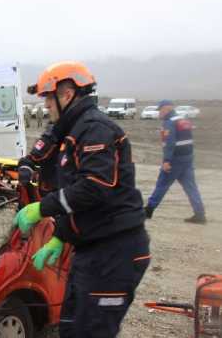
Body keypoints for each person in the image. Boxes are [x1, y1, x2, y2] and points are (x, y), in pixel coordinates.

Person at [14, 61, 149, 338]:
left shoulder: (96, 130)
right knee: (71, 328)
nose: (46, 106)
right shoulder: (73, 131)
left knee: (91, 331)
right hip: (91, 250)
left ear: (67, 94)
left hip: (114, 252)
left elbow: (93, 188)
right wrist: (61, 235)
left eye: (49, 98)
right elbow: (79, 196)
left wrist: (42, 208)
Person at [145, 100, 205, 224]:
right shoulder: (182, 120)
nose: (159, 113)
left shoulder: (169, 122)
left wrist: (166, 161)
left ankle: (148, 210)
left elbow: (169, 143)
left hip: (175, 159)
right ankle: (200, 214)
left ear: (166, 109)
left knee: (162, 184)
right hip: (187, 158)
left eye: (160, 110)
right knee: (191, 187)